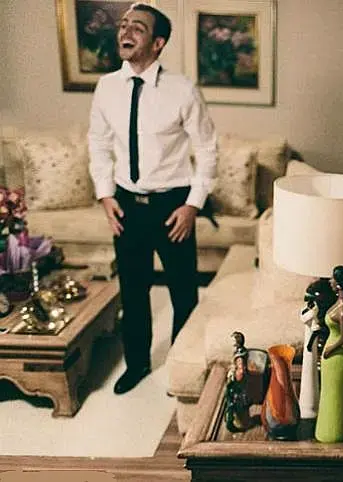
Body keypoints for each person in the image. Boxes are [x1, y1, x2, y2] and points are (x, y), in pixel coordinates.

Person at [87, 3, 218, 395]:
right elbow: (98, 144)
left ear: (158, 43)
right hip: (126, 206)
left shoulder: (182, 90)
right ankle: (137, 364)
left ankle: (182, 368)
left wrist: (193, 205)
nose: (125, 32)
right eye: (124, 25)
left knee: (183, 293)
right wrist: (105, 195)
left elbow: (207, 149)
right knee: (133, 291)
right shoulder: (106, 87)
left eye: (138, 28)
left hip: (172, 207)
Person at [315, 265, 343, 443]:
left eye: (333, 278)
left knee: (336, 396)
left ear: (339, 283)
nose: (330, 281)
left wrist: (329, 349)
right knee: (328, 394)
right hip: (333, 354)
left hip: (339, 354)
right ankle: (326, 430)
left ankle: (337, 432)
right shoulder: (340, 302)